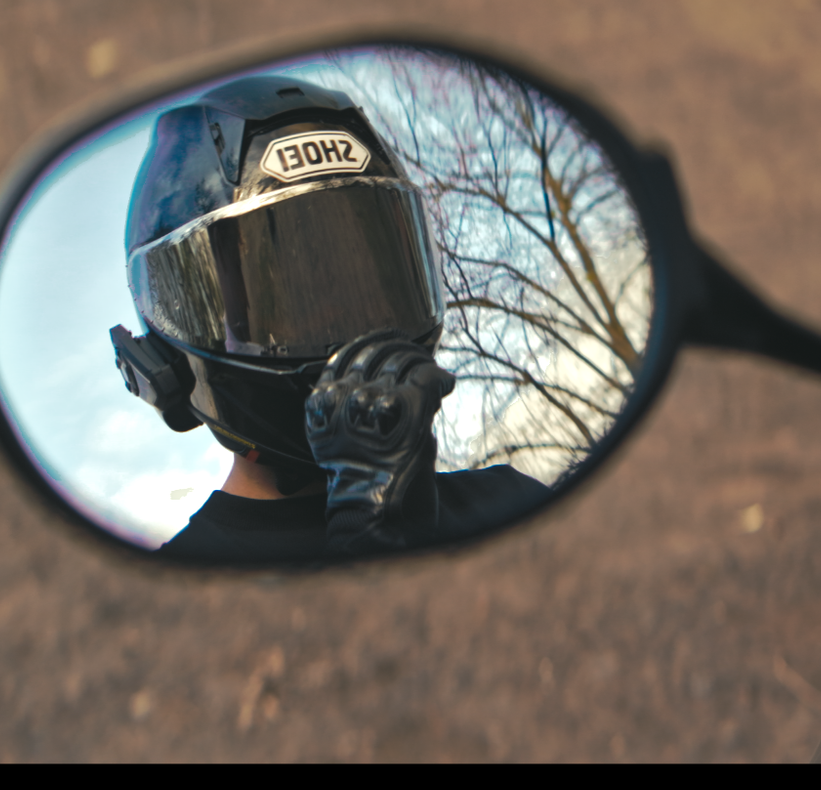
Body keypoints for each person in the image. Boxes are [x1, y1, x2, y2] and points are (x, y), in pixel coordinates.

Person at [104, 73, 549, 561]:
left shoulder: (511, 503)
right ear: (173, 348)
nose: (351, 324)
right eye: (293, 299)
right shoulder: (182, 587)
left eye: (373, 285)